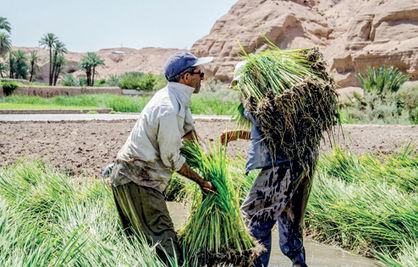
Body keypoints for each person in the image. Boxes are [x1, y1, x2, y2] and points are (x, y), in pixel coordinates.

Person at [110, 51, 216, 264]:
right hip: (138, 180)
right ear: (186, 78)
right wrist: (201, 181)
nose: (203, 77)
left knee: (140, 247)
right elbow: (171, 158)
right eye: (200, 73)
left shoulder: (176, 98)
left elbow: (188, 131)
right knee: (167, 249)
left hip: (131, 177)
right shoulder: (169, 108)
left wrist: (205, 157)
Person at [220, 61, 316, 267]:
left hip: (281, 169)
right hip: (300, 166)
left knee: (255, 219)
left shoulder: (261, 100)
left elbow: (277, 135)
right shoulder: (279, 100)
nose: (240, 90)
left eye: (241, 85)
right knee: (289, 221)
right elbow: (274, 135)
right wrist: (240, 134)